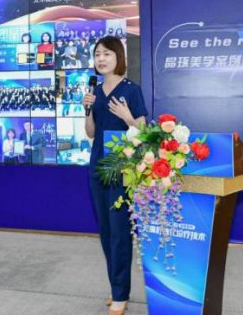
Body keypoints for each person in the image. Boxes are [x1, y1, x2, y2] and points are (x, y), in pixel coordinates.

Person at [82, 36, 147, 315]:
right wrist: (87, 110)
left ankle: (121, 295)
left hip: (122, 166)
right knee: (106, 232)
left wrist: (127, 116)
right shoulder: (95, 91)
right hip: (98, 164)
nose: (101, 58)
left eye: (107, 53)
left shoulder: (131, 90)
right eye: (97, 54)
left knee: (120, 231)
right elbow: (90, 133)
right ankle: (117, 287)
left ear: (119, 57)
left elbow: (143, 132)